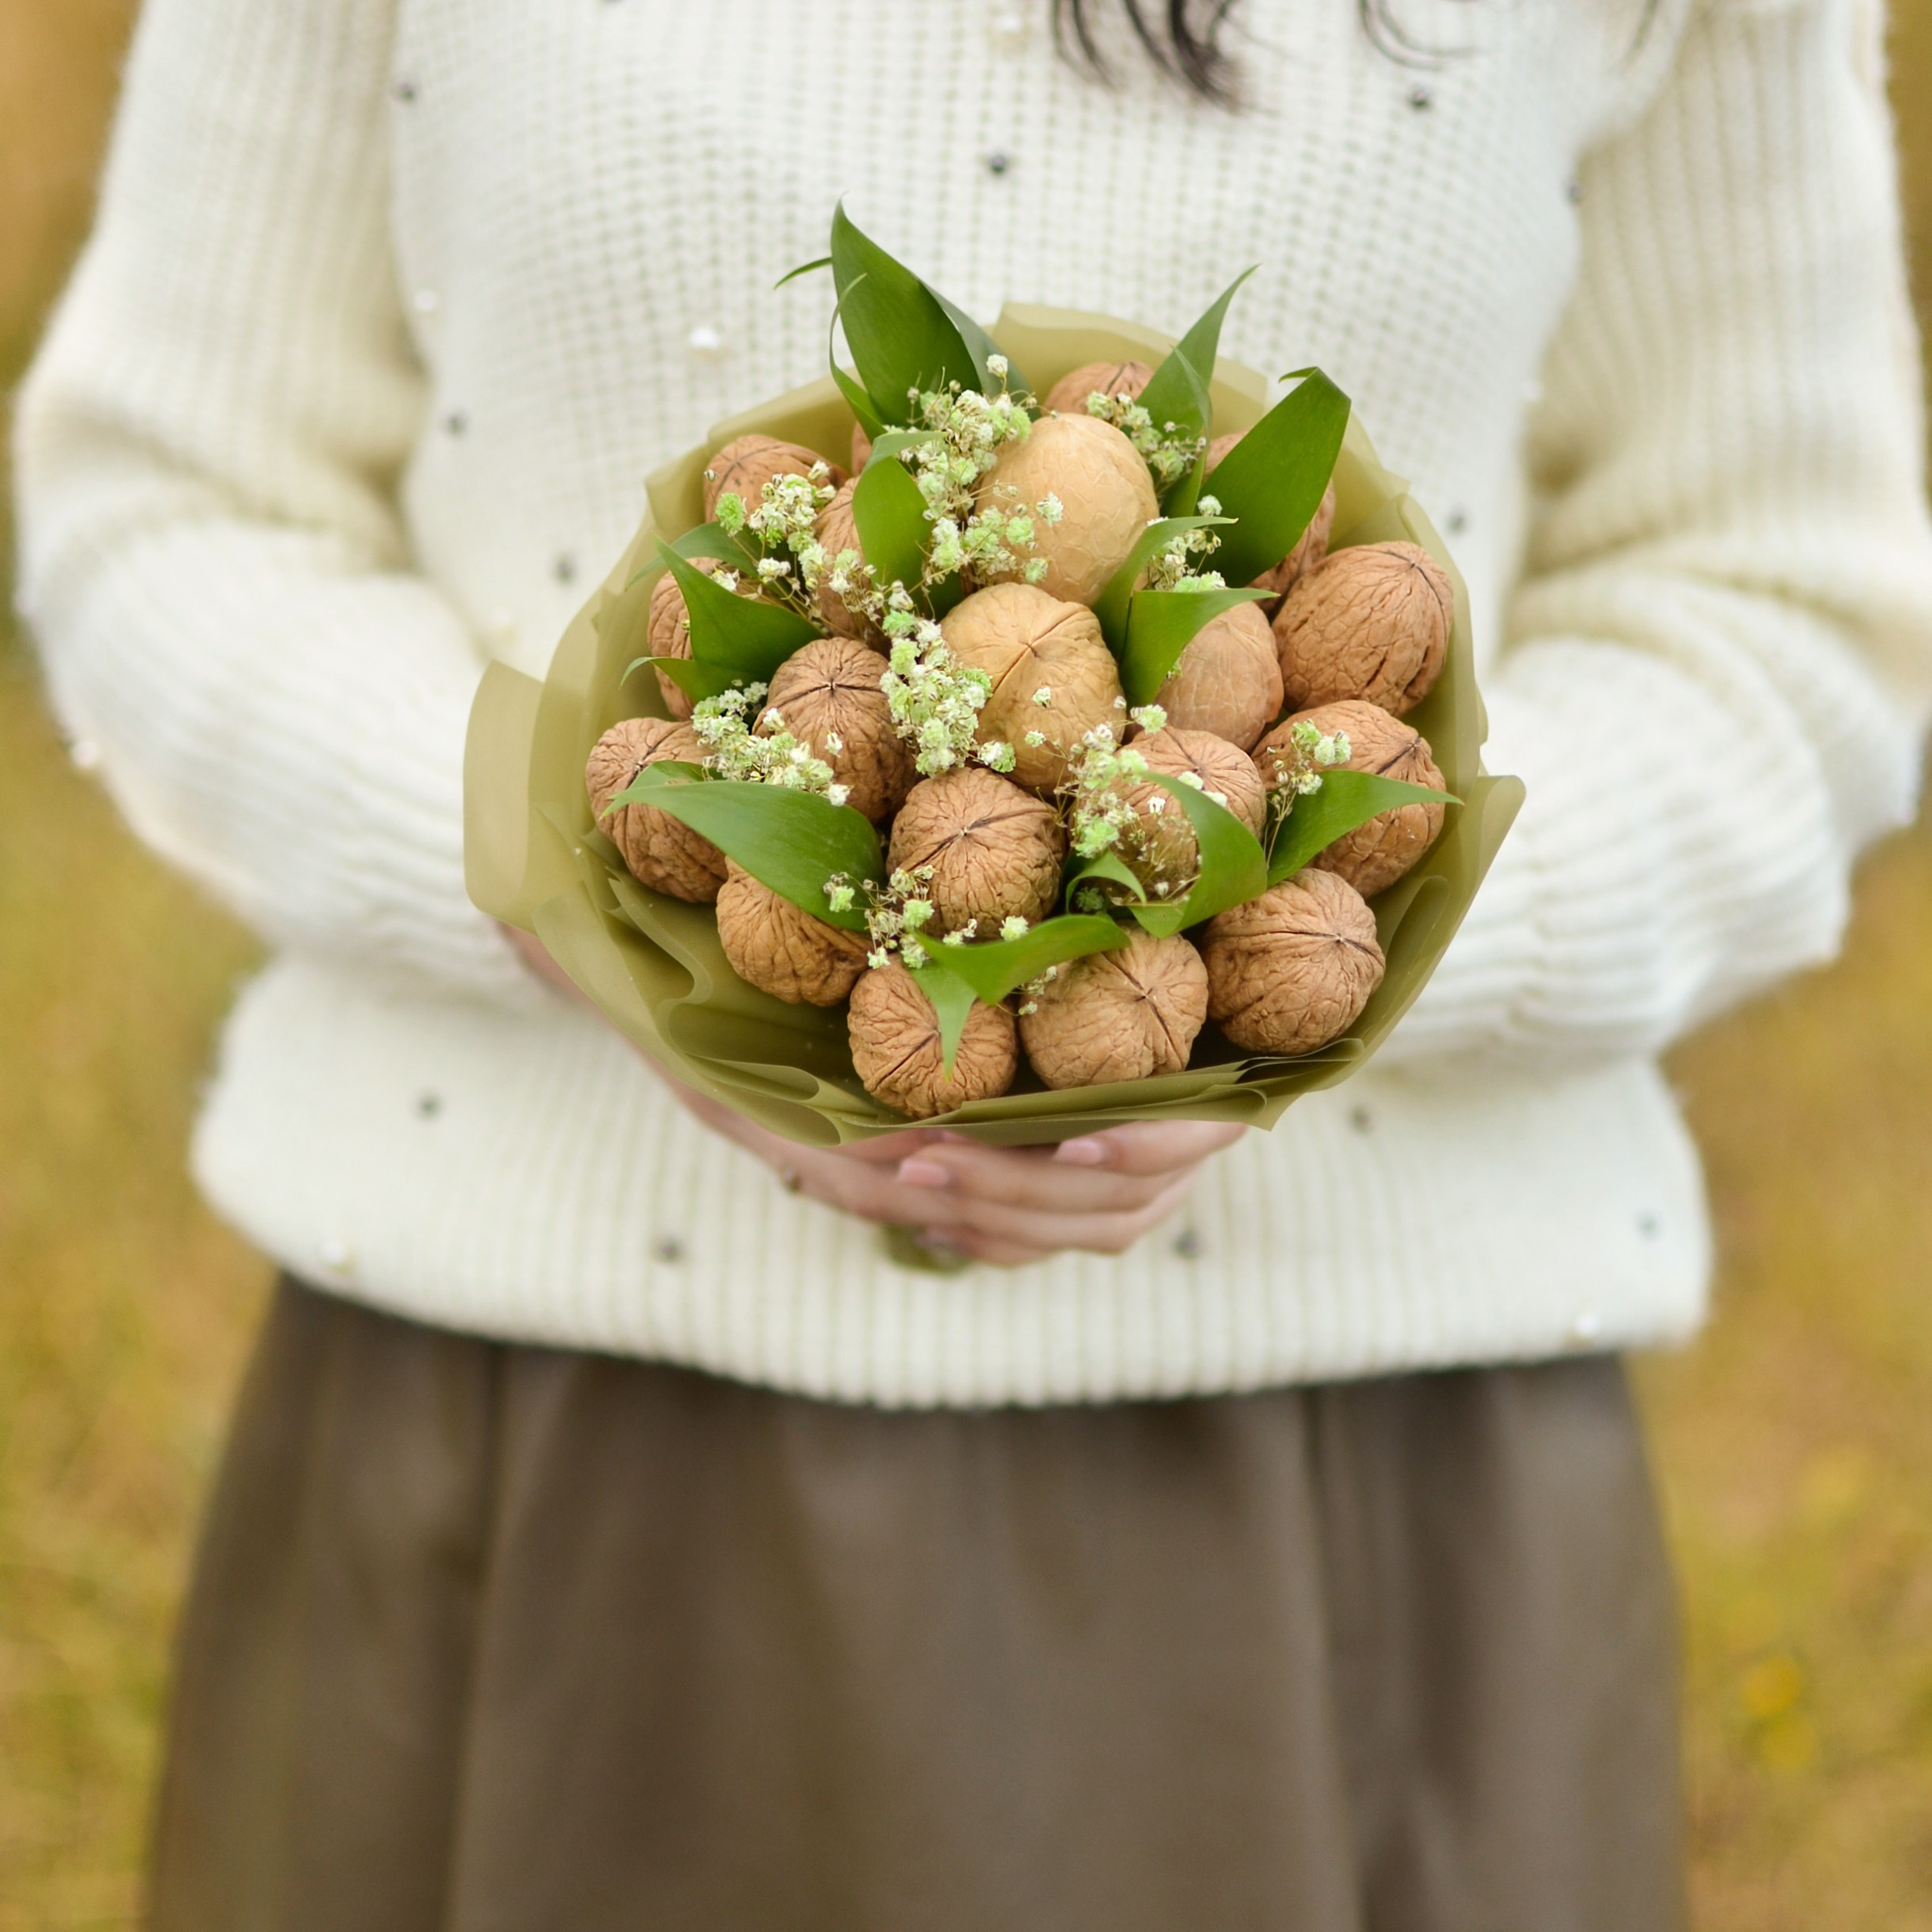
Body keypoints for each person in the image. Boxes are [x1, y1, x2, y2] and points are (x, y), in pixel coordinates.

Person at [14, 0, 1932, 1923]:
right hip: (537, 1452)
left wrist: (1350, 925)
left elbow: (1785, 620)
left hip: (1362, 1492)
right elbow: (169, 499)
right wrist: (550, 880)